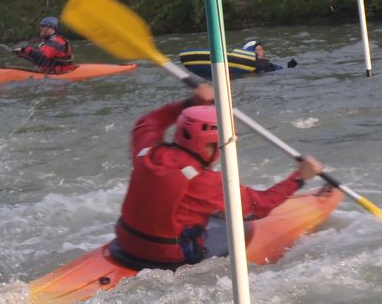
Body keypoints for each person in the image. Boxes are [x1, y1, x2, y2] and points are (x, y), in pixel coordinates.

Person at [113, 84, 323, 268]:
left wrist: (188, 103)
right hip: (169, 259)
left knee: (206, 211)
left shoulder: (146, 152)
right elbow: (262, 206)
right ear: (210, 144)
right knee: (239, 224)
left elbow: (148, 122)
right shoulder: (208, 183)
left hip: (125, 246)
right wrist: (299, 177)